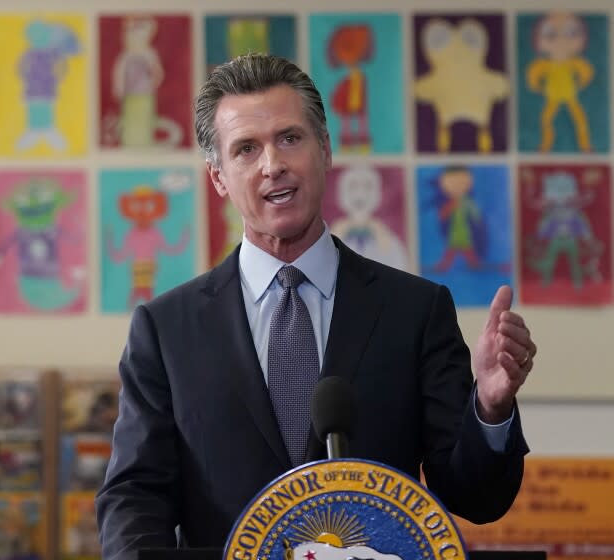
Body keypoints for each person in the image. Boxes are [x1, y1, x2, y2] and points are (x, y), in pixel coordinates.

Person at [96, 54, 536, 559]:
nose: (273, 164)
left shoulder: (415, 311)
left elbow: (475, 497)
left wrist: (490, 406)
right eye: (245, 149)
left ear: (324, 150)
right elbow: (134, 495)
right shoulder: (166, 329)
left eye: (289, 138)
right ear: (219, 178)